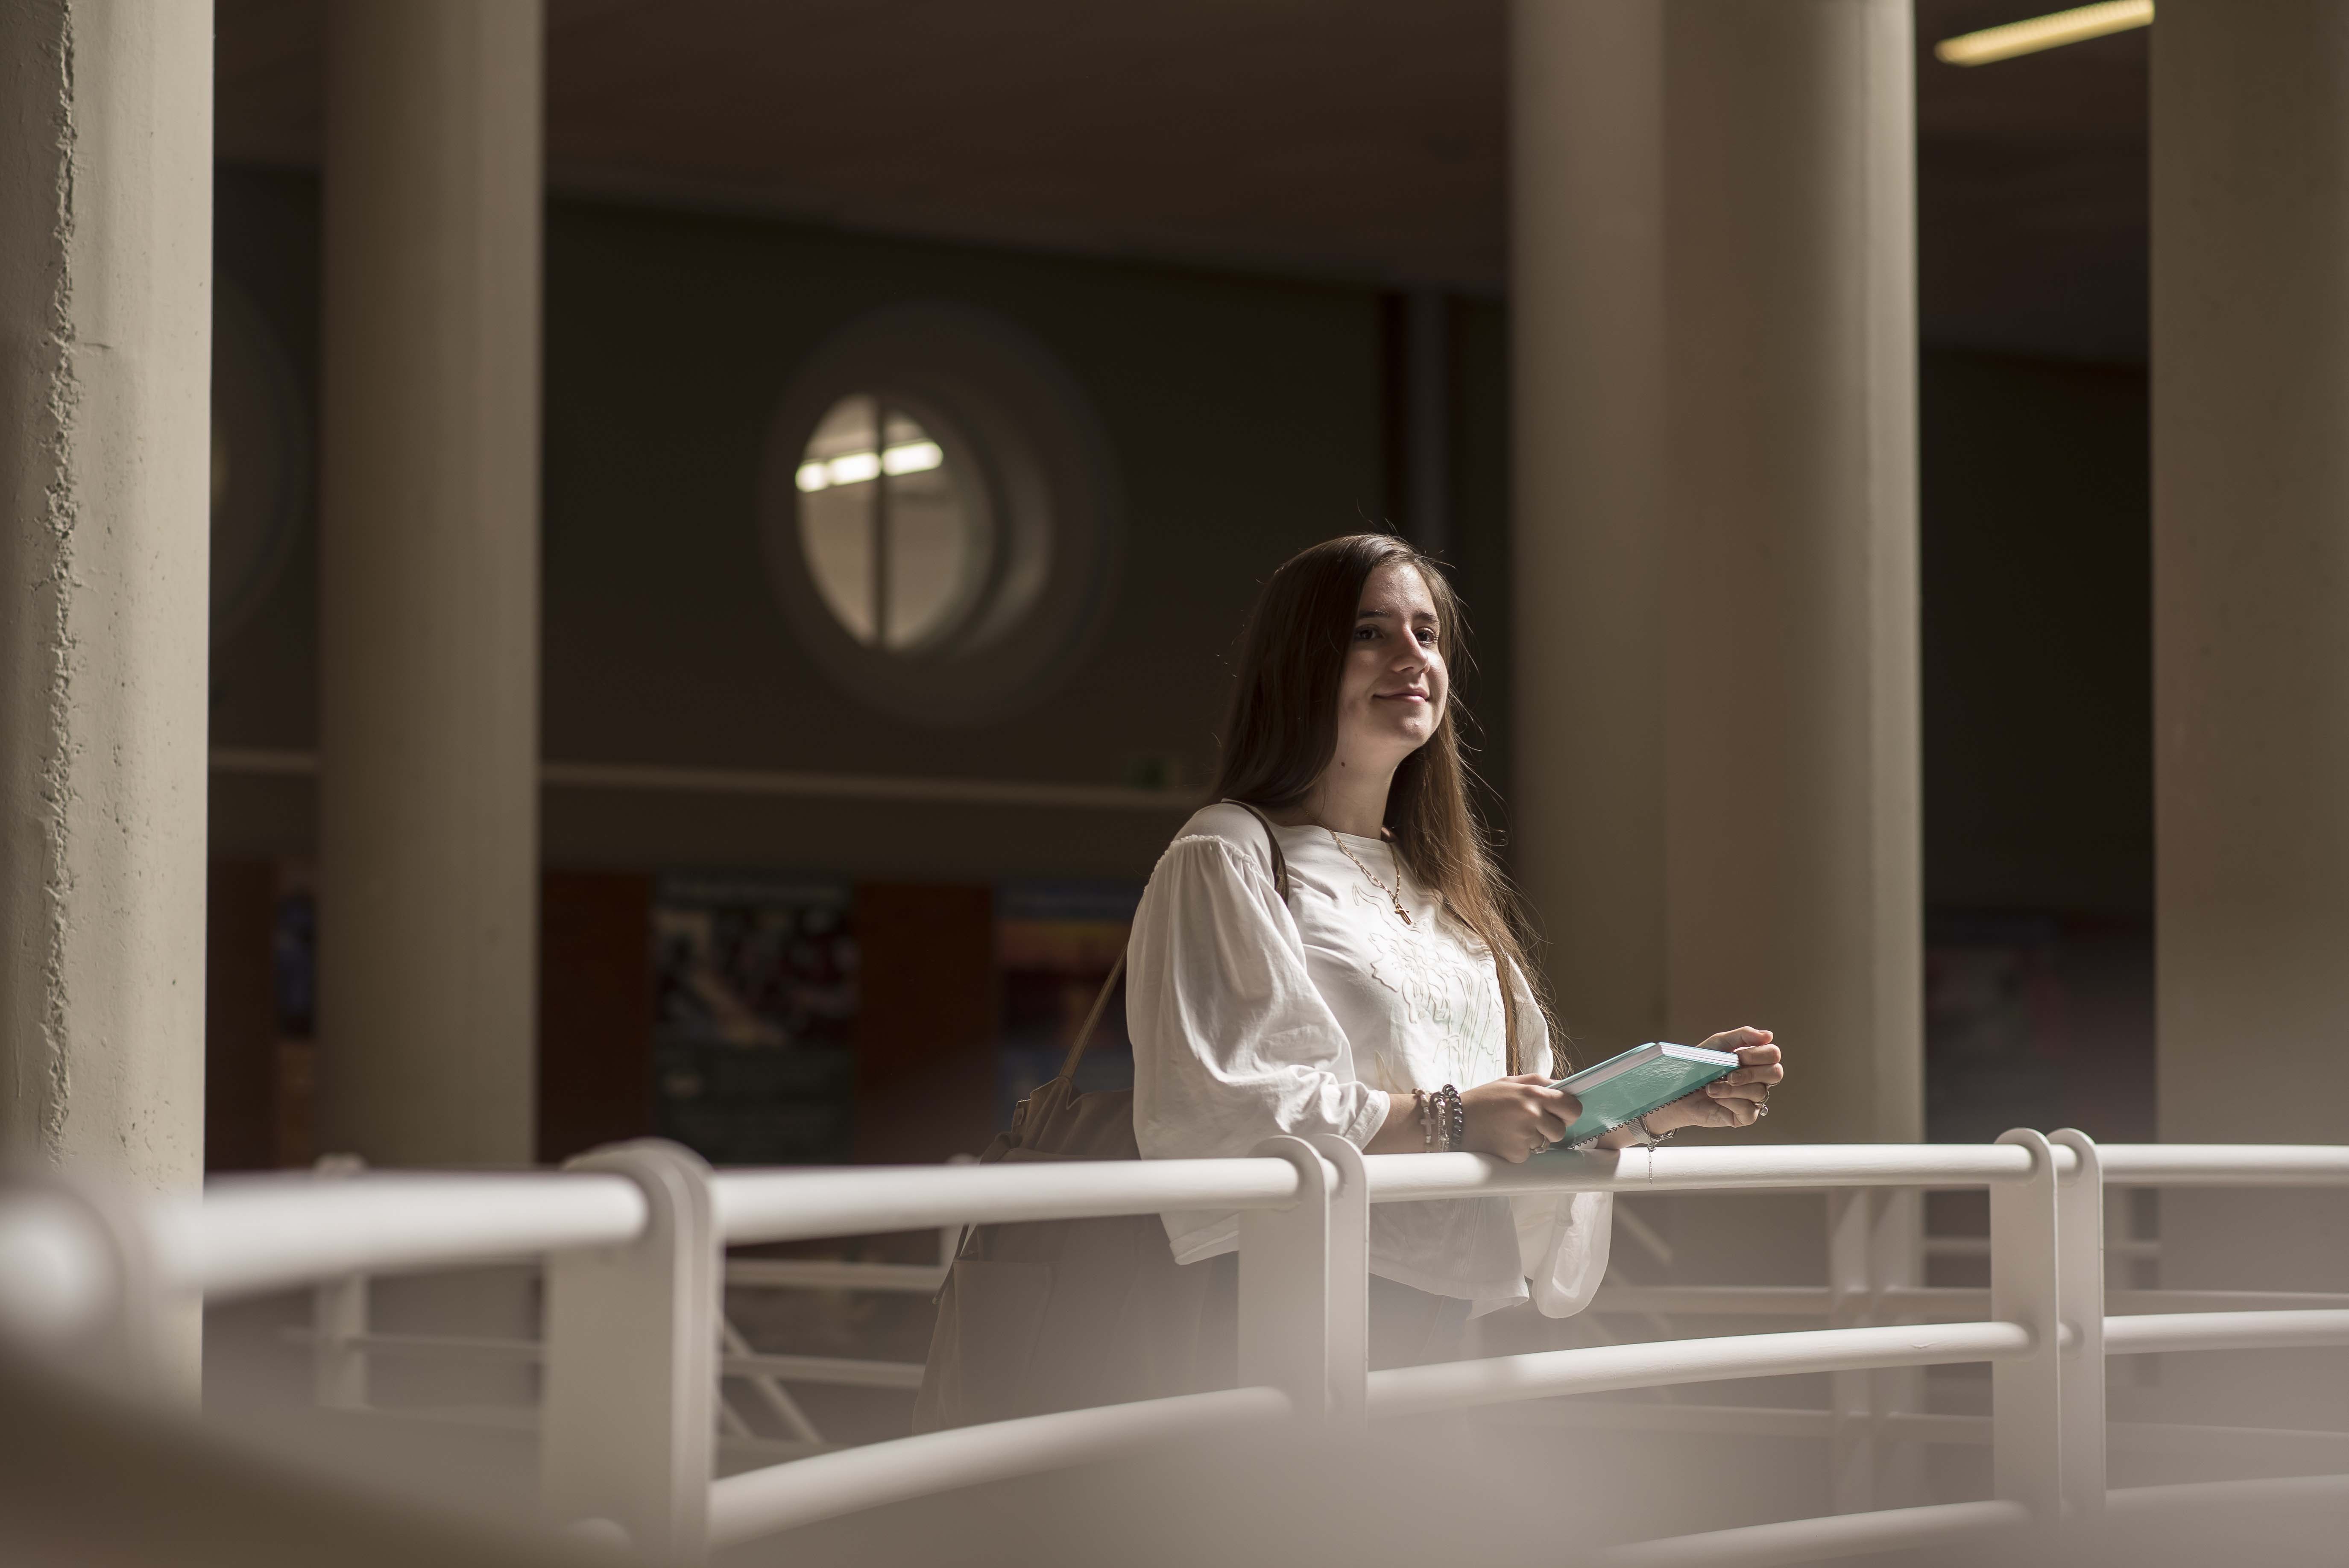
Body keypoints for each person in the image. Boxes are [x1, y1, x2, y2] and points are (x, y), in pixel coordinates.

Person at [1126, 533, 1785, 1368]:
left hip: (1445, 1317)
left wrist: (1650, 1106)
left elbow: (1522, 1113)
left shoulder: (1444, 893)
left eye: (1426, 634)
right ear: (1299, 663)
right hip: (1287, 1300)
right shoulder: (1226, 853)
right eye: (1369, 632)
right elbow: (1225, 1106)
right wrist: (1456, 1118)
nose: (1410, 657)